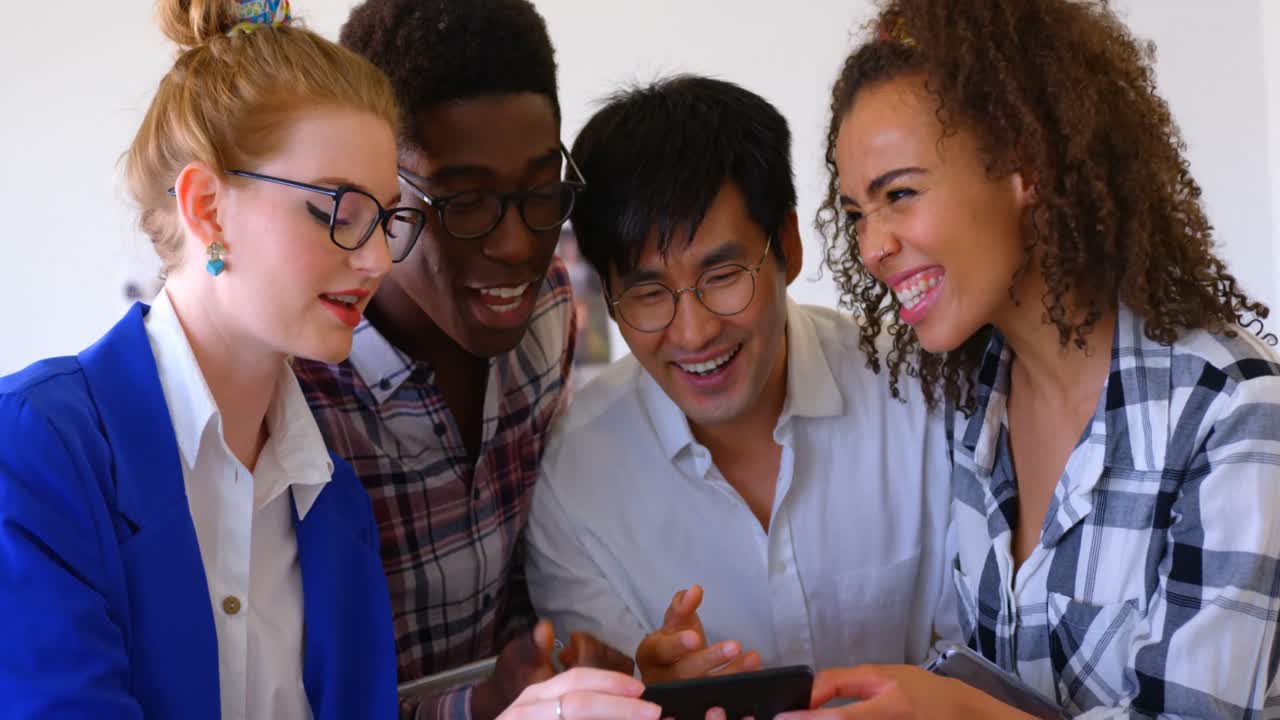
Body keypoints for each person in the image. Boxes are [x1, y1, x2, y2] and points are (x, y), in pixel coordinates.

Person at [787, 0, 1280, 717]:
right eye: (858, 213)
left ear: (1026, 166)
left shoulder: (1229, 410)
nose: (871, 247)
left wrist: (959, 712)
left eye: (900, 194)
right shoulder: (973, 404)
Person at [0, 0, 412, 716]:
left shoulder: (335, 498)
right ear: (207, 208)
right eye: (339, 212)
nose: (377, 259)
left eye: (384, 219)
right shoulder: (35, 451)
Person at [524, 75, 956, 685]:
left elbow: (983, 655)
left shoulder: (916, 391)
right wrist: (648, 697)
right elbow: (601, 691)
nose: (694, 333)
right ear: (609, 298)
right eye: (648, 293)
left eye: (723, 276)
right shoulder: (574, 482)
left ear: (788, 246)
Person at [292, 1, 629, 718]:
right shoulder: (299, 389)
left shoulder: (548, 311)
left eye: (542, 192)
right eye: (464, 203)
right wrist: (481, 705)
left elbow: (521, 576)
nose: (516, 246)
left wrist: (561, 658)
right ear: (379, 194)